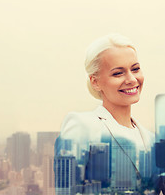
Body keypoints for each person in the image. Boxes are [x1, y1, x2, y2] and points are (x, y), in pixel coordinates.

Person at [54, 34, 155, 194]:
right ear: (95, 81)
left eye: (135, 69)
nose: (131, 79)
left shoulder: (151, 139)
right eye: (118, 73)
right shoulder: (82, 127)